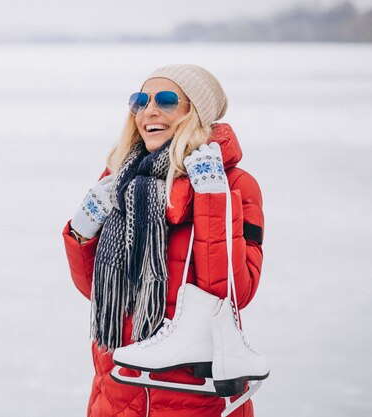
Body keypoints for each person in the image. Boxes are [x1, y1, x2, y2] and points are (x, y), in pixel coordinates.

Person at [62, 64, 265, 417]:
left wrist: (213, 200)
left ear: (195, 112)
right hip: (117, 391)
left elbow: (234, 293)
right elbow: (98, 292)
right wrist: (82, 232)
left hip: (194, 397)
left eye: (167, 100)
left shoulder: (235, 185)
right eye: (140, 101)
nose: (149, 111)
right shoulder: (119, 178)